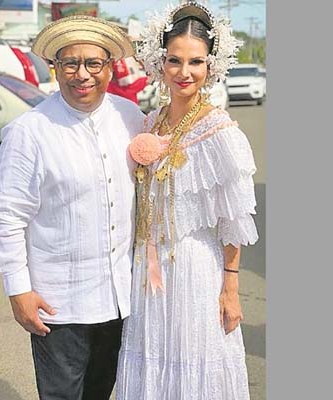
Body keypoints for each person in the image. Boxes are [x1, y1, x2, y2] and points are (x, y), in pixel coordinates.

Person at [0, 15, 146, 400]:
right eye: (69, 63)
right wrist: (18, 289)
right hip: (60, 303)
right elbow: (7, 216)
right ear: (55, 69)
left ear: (110, 66)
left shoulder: (131, 119)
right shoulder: (29, 131)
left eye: (93, 63)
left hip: (120, 298)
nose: (82, 74)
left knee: (101, 392)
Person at [116, 2, 258, 399]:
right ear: (160, 63)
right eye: (175, 60)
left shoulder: (221, 133)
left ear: (211, 66)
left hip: (195, 269)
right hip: (147, 272)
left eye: (196, 61)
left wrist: (230, 289)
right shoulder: (149, 122)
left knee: (195, 362)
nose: (184, 72)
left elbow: (233, 221)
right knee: (152, 362)